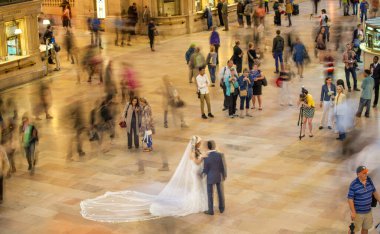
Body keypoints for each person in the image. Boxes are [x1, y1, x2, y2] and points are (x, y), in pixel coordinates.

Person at [80, 136, 208, 221]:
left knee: (198, 187)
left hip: (196, 172)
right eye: (199, 142)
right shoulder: (193, 153)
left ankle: (200, 200)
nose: (200, 144)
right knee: (197, 187)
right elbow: (196, 162)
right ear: (196, 143)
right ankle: (197, 202)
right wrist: (202, 158)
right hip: (195, 171)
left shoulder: (196, 150)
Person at [348, 166, 380, 234]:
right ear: (358, 174)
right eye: (364, 173)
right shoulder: (354, 184)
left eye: (366, 172)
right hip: (358, 213)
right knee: (353, 230)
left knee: (365, 228)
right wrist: (353, 212)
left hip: (368, 211)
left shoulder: (369, 180)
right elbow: (350, 199)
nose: (366, 174)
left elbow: (374, 192)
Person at [203, 140, 226, 215]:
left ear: (207, 147)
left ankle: (211, 210)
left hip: (210, 177)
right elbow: (222, 166)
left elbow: (206, 170)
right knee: (220, 192)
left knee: (210, 194)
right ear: (214, 146)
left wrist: (201, 174)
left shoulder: (206, 157)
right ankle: (221, 208)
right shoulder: (219, 155)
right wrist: (223, 175)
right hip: (218, 176)